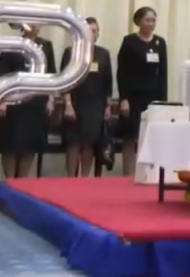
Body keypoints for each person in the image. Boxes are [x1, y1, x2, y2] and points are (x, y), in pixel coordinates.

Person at [116, 6, 168, 177]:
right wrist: (123, 98)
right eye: (148, 20)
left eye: (154, 20)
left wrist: (163, 102)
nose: (151, 23)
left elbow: (163, 73)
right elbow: (122, 72)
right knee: (130, 136)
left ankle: (147, 174)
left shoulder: (160, 42)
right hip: (133, 97)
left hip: (153, 97)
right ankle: (128, 174)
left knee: (150, 135)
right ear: (139, 21)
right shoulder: (129, 41)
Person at [0, 24, 56, 178]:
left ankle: (22, 180)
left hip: (36, 103)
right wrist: (2, 100)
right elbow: (3, 72)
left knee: (30, 145)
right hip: (14, 102)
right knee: (11, 145)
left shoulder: (46, 45)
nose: (36, 26)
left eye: (39, 23)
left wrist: (51, 99)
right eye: (33, 23)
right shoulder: (13, 45)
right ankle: (10, 181)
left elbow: (51, 74)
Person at [62, 17, 113, 177]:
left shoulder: (103, 54)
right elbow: (64, 81)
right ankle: (71, 179)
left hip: (95, 105)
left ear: (98, 34)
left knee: (89, 143)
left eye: (95, 31)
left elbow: (108, 82)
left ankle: (85, 178)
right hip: (75, 102)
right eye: (89, 30)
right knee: (74, 143)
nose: (92, 34)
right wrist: (68, 104)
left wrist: (108, 106)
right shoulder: (71, 52)